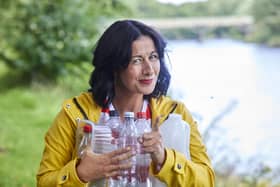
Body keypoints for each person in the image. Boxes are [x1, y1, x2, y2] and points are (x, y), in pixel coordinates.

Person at [37, 19, 215, 186]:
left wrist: (164, 158)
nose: (149, 70)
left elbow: (207, 180)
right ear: (114, 65)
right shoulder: (75, 114)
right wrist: (80, 173)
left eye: (153, 57)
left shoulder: (175, 114)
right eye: (136, 60)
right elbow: (44, 180)